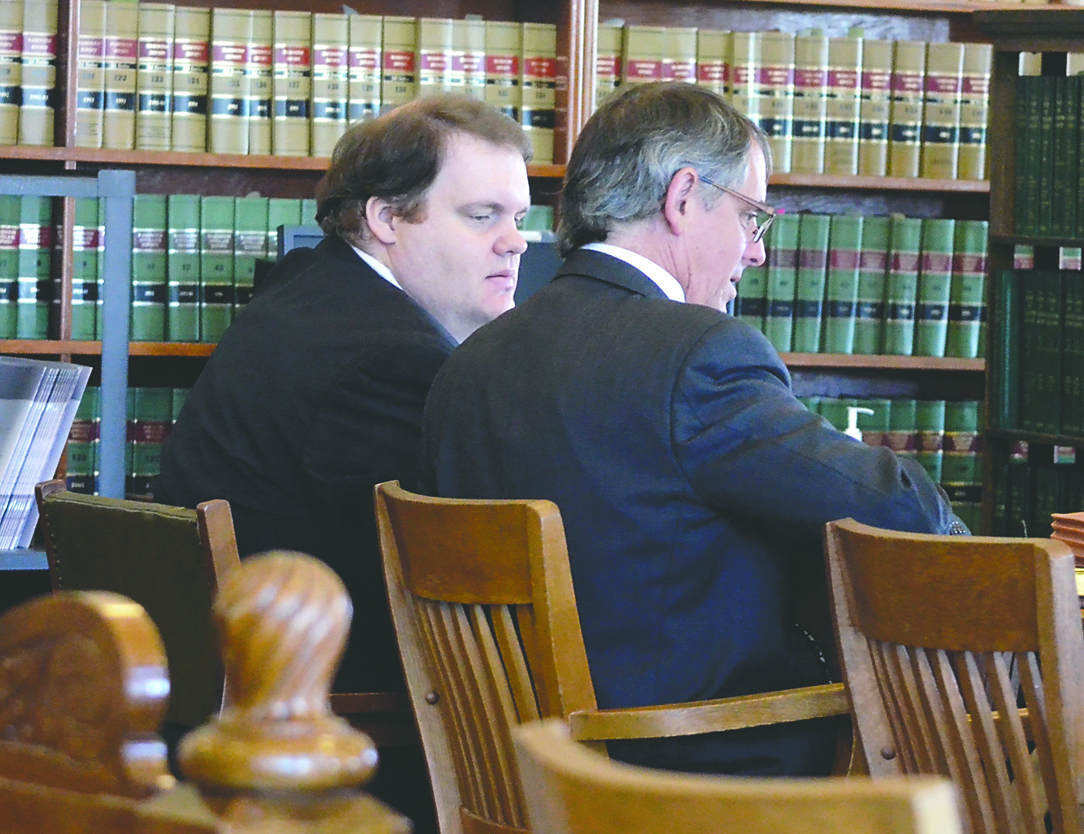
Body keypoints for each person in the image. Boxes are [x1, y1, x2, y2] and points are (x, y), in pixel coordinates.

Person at [418, 82, 965, 777]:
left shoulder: (468, 362)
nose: (756, 252)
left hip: (512, 774)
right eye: (752, 218)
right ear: (682, 199)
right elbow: (901, 511)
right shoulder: (698, 353)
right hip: (687, 776)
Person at [155, 94, 533, 698]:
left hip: (240, 690)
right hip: (326, 720)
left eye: (519, 218)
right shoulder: (387, 358)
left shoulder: (308, 288)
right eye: (483, 216)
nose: (516, 243)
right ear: (386, 218)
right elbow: (435, 592)